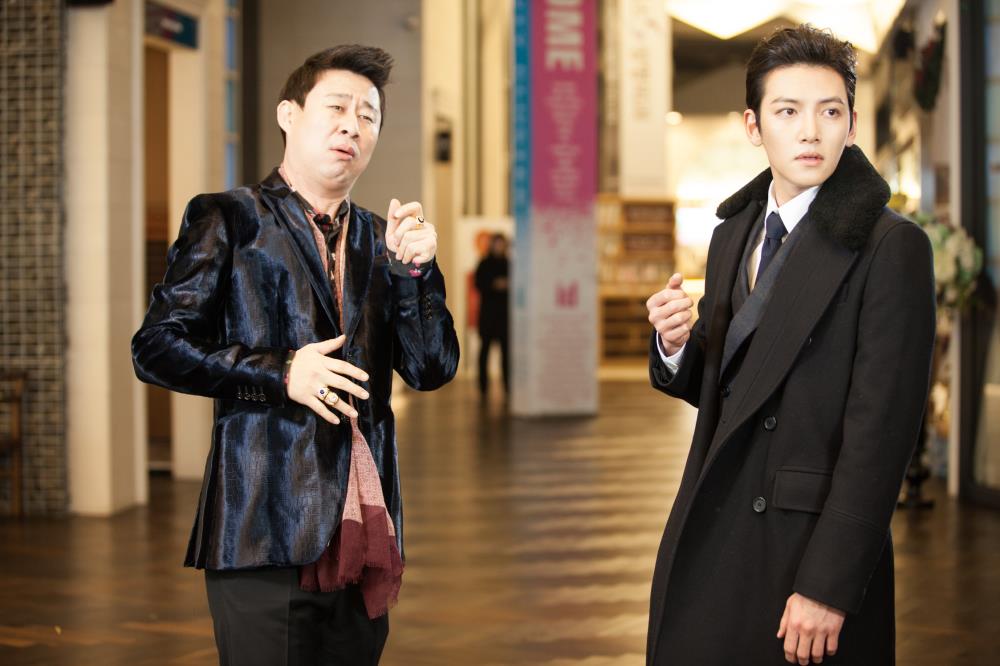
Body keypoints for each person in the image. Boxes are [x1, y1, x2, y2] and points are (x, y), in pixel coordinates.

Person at [132, 45, 459, 666]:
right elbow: (157, 347)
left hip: (363, 528)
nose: (352, 126)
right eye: (337, 107)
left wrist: (416, 274)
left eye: (368, 116)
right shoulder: (229, 218)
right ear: (289, 115)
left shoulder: (381, 239)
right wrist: (281, 372)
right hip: (261, 523)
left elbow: (431, 369)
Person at [644, 25, 935, 665]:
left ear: (851, 125)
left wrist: (829, 585)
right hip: (717, 517)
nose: (810, 132)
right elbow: (730, 385)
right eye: (788, 111)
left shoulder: (891, 247)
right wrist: (675, 345)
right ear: (754, 126)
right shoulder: (734, 232)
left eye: (830, 112)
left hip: (805, 548)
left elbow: (882, 437)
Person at [474, 233, 510, 398]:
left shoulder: (509, 264)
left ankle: (508, 386)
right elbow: (478, 284)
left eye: (501, 244)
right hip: (488, 316)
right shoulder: (484, 264)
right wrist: (494, 284)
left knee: (506, 353)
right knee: (485, 352)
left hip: (504, 316)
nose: (499, 247)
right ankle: (483, 387)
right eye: (497, 244)